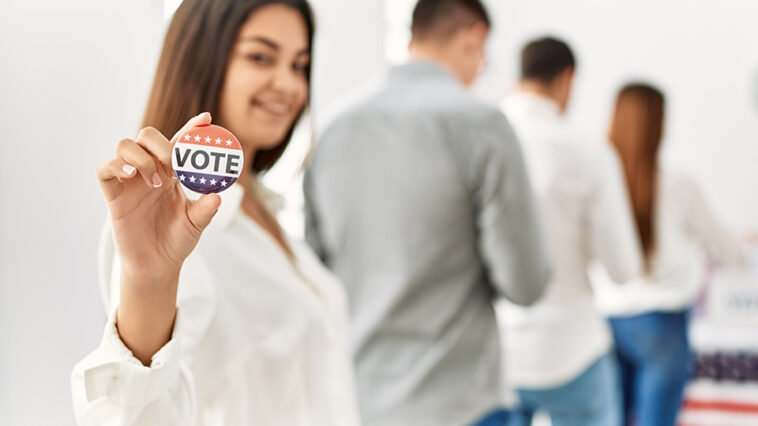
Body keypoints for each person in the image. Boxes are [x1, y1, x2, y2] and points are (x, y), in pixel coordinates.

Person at [70, 1, 361, 425]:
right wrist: (148, 280)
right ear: (200, 58)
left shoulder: (268, 216)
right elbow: (131, 418)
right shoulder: (176, 229)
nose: (288, 84)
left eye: (299, 65)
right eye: (261, 57)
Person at [303, 1, 552, 425]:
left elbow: (315, 273)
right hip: (461, 403)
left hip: (361, 402)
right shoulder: (483, 124)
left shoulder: (332, 127)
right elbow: (525, 284)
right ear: (472, 37)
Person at [498, 37, 641, 426]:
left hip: (497, 353)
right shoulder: (588, 152)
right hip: (570, 349)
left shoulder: (481, 140)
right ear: (567, 79)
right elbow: (623, 269)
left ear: (517, 77)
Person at [592, 83, 746, 426]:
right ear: (660, 125)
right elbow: (727, 249)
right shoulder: (679, 185)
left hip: (605, 320)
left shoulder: (597, 185)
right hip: (663, 322)